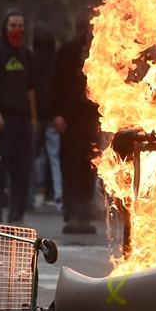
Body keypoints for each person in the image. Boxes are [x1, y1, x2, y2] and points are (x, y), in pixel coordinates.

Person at [0, 9, 37, 224]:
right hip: (1, 121)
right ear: (5, 28)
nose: (17, 30)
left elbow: (31, 89)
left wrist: (33, 118)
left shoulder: (26, 54)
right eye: (13, 25)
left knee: (22, 171)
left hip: (22, 121)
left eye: (21, 26)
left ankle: (16, 217)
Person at [53, 19, 99, 235]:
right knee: (70, 166)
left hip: (91, 118)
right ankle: (71, 214)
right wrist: (56, 114)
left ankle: (84, 216)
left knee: (89, 167)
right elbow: (56, 83)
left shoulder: (100, 49)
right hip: (70, 118)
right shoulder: (67, 50)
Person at [30, 25, 62, 208]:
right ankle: (58, 195)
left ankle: (32, 195)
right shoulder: (56, 59)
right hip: (51, 115)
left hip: (36, 115)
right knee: (54, 157)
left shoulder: (31, 58)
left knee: (33, 157)